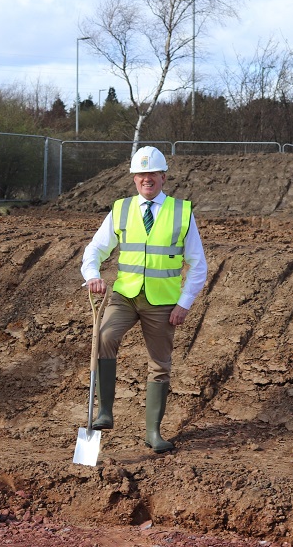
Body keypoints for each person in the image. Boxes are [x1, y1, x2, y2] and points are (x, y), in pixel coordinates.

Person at [81, 145, 208, 453]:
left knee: (160, 364)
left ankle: (153, 432)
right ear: (134, 179)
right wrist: (93, 276)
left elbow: (198, 264)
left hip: (163, 303)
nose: (146, 179)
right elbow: (95, 250)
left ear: (163, 177)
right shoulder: (121, 209)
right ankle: (105, 413)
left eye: (152, 174)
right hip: (125, 296)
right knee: (104, 336)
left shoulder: (181, 212)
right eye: (141, 175)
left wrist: (184, 303)